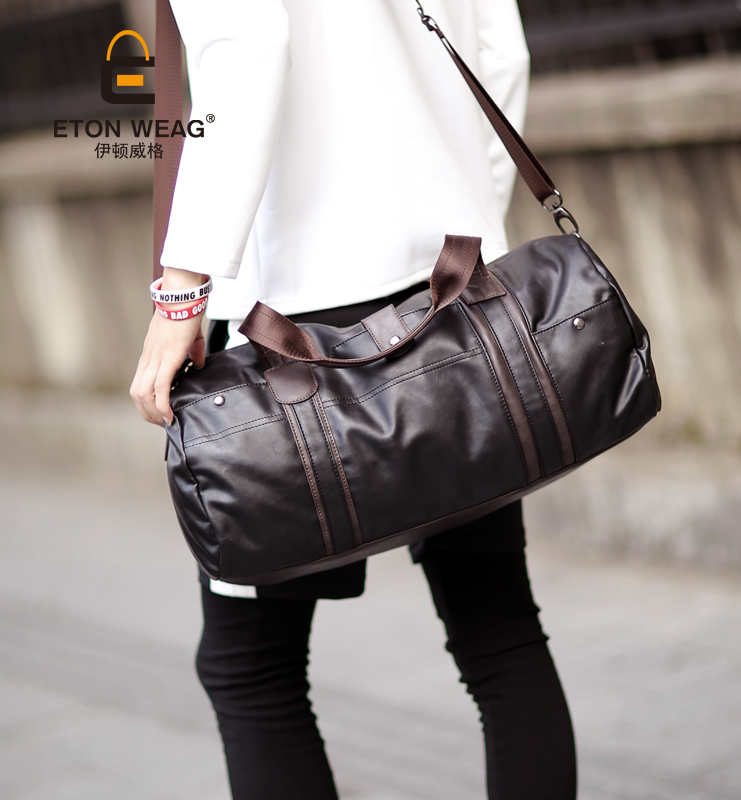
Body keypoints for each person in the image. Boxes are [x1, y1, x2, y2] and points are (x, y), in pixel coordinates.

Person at [130, 1, 577, 797]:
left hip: (288, 325)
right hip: (447, 294)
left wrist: (183, 287)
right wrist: (465, 203)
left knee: (250, 666)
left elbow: (248, 47)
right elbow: (501, 52)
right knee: (500, 631)